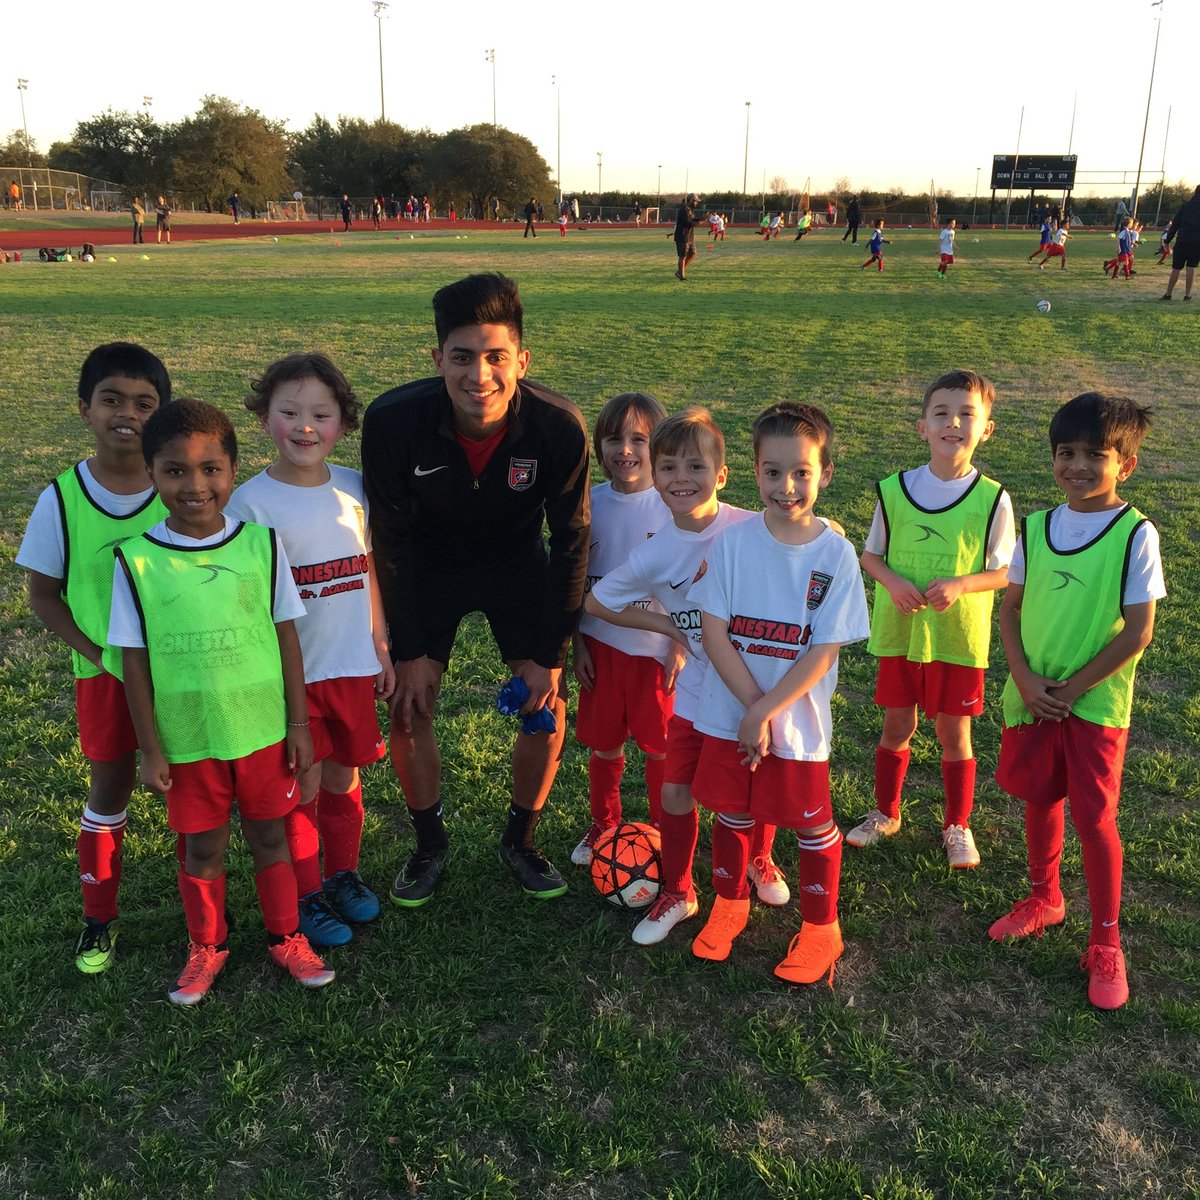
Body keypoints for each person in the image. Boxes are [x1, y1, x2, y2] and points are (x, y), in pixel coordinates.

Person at [361, 273, 590, 904]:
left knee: (545, 705)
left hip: (515, 561)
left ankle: (521, 840)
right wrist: (409, 650)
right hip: (426, 565)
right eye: (462, 357)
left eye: (496, 357)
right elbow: (391, 541)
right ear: (437, 359)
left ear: (522, 360)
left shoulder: (558, 426)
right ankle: (429, 844)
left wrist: (549, 655)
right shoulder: (393, 420)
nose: (479, 375)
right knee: (408, 703)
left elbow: (572, 541)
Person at [110, 399, 336, 1003]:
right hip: (189, 739)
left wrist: (298, 724)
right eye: (175, 471)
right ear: (151, 474)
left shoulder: (262, 546)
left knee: (271, 837)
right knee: (203, 846)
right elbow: (134, 663)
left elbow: (286, 637)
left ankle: (286, 936)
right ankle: (206, 946)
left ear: (233, 470)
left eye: (211, 469)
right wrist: (150, 748)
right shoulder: (137, 560)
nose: (195, 486)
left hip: (262, 731)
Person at [585, 408, 792, 946]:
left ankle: (760, 859)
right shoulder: (654, 552)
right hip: (699, 691)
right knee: (676, 791)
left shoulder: (750, 525)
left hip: (757, 686)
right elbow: (599, 602)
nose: (682, 478)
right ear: (655, 478)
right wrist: (670, 627)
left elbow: (813, 534)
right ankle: (679, 891)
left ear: (721, 475)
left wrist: (830, 529)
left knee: (752, 782)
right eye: (669, 467)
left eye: (696, 467)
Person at [989, 392, 1164, 1011]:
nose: (1079, 466)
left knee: (1094, 819)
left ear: (1126, 465)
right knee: (1040, 796)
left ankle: (1107, 942)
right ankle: (1046, 897)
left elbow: (1138, 632)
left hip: (1092, 704)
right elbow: (1009, 610)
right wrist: (1024, 678)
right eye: (1067, 453)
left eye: (1097, 454)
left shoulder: (1135, 534)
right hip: (1034, 694)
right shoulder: (1036, 529)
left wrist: (1072, 688)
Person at [687, 403, 870, 984]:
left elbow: (823, 651)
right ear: (755, 471)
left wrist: (766, 711)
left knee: (812, 826)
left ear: (826, 474)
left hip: (796, 723)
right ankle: (730, 904)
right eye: (772, 472)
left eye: (801, 473)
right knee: (734, 812)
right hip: (730, 714)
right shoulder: (733, 544)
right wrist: (749, 709)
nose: (786, 487)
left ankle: (821, 929)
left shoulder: (835, 554)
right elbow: (714, 632)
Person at [226, 353, 395, 950]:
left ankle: (342, 873)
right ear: (264, 418)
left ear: (342, 425)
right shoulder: (249, 505)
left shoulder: (354, 488)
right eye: (290, 412)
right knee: (305, 782)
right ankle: (307, 891)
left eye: (321, 415)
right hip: (292, 677)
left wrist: (380, 643)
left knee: (345, 774)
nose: (305, 426)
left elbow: (367, 569)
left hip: (350, 665)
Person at [16, 343, 172, 975]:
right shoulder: (62, 498)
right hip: (105, 675)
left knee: (192, 783)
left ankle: (205, 911)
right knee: (110, 786)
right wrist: (97, 653)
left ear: (162, 414)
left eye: (144, 403)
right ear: (85, 408)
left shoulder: (183, 488)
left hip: (182, 673)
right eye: (112, 399)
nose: (127, 414)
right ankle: (98, 917)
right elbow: (42, 595)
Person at [850, 370, 1014, 866]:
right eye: (941, 413)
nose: (953, 423)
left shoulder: (993, 498)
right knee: (896, 725)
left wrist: (962, 584)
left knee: (953, 735)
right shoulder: (894, 490)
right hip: (902, 633)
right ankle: (886, 812)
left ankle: (957, 825)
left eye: (967, 414)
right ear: (923, 427)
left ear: (986, 429)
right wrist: (894, 583)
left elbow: (1005, 571)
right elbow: (870, 556)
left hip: (957, 638)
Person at [569, 392, 677, 865]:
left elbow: (697, 583)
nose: (626, 450)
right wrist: (578, 644)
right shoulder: (588, 504)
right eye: (614, 439)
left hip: (657, 652)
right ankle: (604, 824)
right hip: (601, 646)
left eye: (639, 439)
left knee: (661, 749)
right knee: (606, 746)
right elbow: (573, 583)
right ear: (599, 446)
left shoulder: (675, 506)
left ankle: (661, 828)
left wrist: (679, 646)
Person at [1161, 183, 1200, 301]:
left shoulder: (1186, 206)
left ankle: (1168, 294)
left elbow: (1175, 225)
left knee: (1176, 268)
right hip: (1197, 243)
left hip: (1182, 240)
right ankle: (1187, 295)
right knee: (1191, 268)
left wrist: (1167, 240)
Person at [673, 193, 703, 280]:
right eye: (696, 201)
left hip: (690, 237)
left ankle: (679, 271)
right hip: (682, 237)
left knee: (693, 254)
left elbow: (692, 219)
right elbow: (688, 223)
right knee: (682, 256)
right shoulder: (684, 210)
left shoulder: (690, 209)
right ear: (691, 200)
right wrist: (700, 222)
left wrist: (701, 218)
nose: (697, 203)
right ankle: (682, 276)